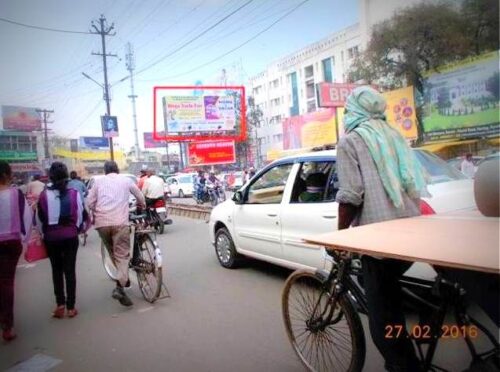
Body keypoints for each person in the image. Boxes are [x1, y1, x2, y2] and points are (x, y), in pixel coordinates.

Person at [335, 86, 427, 372]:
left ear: (355, 111)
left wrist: (339, 236)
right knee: (390, 300)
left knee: (383, 321)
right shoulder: (395, 136)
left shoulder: (350, 142)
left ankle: (404, 366)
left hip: (380, 244)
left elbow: (351, 194)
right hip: (410, 232)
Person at [87, 161, 145, 307]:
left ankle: (122, 280)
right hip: (120, 223)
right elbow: (139, 195)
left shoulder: (98, 183)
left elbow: (89, 202)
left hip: (102, 224)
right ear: (117, 170)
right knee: (122, 254)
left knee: (113, 252)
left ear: (105, 171)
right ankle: (120, 286)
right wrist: (142, 205)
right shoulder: (125, 180)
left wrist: (95, 212)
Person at [37, 162, 84, 319]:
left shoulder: (44, 195)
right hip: (70, 237)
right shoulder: (74, 193)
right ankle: (71, 307)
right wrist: (75, 230)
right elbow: (80, 216)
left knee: (56, 271)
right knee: (70, 270)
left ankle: (60, 305)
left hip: (51, 239)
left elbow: (39, 220)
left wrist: (45, 235)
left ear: (50, 176)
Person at [0, 161, 32, 341]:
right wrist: (25, 241)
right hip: (12, 242)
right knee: (6, 282)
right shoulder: (15, 194)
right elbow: (26, 218)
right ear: (6, 175)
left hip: (10, 242)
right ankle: (7, 325)